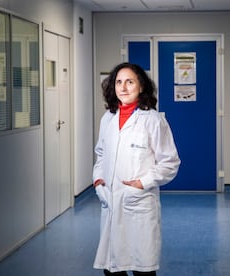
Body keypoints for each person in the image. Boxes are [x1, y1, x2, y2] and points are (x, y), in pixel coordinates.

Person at [92, 62, 180, 276]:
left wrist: (143, 183)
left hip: (138, 202)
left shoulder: (153, 120)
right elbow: (101, 154)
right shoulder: (108, 119)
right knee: (112, 269)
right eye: (118, 82)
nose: (123, 87)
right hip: (111, 200)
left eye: (129, 82)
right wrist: (98, 181)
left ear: (141, 87)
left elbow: (170, 162)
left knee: (142, 269)